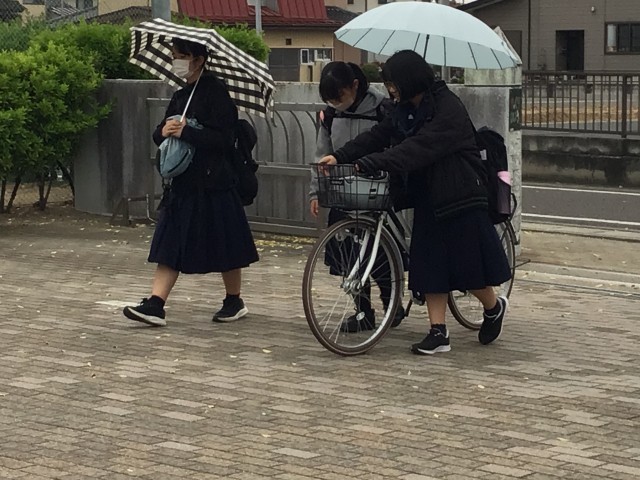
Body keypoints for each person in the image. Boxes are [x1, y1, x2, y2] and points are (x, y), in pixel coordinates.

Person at [319, 50, 511, 355]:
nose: (390, 90)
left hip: (460, 195)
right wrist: (340, 155)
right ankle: (438, 332)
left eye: (392, 84)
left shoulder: (448, 108)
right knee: (430, 264)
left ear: (408, 80)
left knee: (466, 268)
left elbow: (418, 148)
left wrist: (371, 162)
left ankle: (493, 306)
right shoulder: (405, 108)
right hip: (428, 195)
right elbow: (379, 134)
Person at [123, 38, 259, 327]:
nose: (177, 61)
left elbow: (224, 140)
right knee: (169, 242)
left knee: (226, 244)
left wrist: (187, 132)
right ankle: (155, 304)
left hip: (214, 183)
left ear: (199, 60)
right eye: (174, 55)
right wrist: (164, 130)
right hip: (182, 183)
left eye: (182, 56)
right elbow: (159, 135)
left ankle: (234, 299)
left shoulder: (216, 93)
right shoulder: (180, 95)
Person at [310, 61, 404, 333]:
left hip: (376, 192)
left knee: (381, 254)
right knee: (348, 256)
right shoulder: (330, 116)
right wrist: (316, 190)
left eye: (339, 96)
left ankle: (392, 305)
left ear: (354, 85)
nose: (335, 103)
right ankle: (363, 311)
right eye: (330, 100)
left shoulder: (382, 109)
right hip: (343, 192)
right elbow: (322, 153)